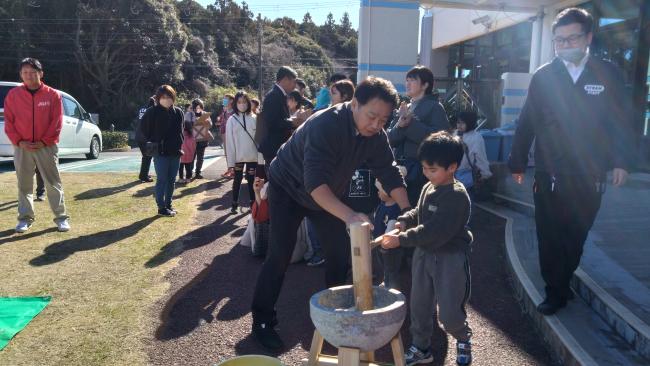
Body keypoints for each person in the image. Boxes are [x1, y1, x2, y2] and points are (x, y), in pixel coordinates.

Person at [250, 77, 411, 350]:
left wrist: (408, 211)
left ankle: (335, 316)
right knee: (280, 254)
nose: (376, 124)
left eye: (383, 120)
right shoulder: (326, 125)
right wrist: (349, 216)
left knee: (338, 254)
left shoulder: (375, 136)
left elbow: (390, 172)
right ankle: (262, 321)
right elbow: (315, 185)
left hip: (327, 194)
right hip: (288, 188)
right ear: (355, 103)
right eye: (372, 116)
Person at [508, 8, 634, 316]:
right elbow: (527, 121)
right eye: (559, 40)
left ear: (588, 37)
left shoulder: (608, 74)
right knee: (550, 234)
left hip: (590, 174)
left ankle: (562, 280)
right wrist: (517, 161)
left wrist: (621, 161)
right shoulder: (544, 76)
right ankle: (555, 290)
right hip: (551, 172)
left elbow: (621, 121)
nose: (565, 45)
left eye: (572, 38)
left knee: (576, 233)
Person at [379, 131, 473, 366]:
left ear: (452, 167)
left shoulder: (456, 196)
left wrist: (401, 239)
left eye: (432, 169)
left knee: (450, 312)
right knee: (419, 306)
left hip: (449, 257)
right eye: (424, 168)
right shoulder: (429, 187)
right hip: (423, 255)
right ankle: (421, 348)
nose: (426, 174)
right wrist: (404, 220)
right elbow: (418, 213)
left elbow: (434, 232)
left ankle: (461, 336)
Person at [4, 57, 70, 233]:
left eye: (33, 72)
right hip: (21, 147)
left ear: (41, 73)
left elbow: (56, 122)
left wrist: (43, 142)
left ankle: (61, 218)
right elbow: (9, 123)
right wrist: (19, 142)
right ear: (20, 74)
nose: (29, 76)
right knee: (24, 184)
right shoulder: (13, 95)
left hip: (46, 147)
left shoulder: (53, 95)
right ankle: (25, 219)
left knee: (53, 183)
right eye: (25, 72)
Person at [388, 66, 450, 207]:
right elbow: (390, 139)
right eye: (407, 80)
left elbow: (440, 140)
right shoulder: (406, 107)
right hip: (400, 169)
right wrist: (401, 125)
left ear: (425, 84)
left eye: (412, 80)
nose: (407, 84)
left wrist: (411, 124)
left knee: (417, 210)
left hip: (421, 171)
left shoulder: (435, 107)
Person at [140, 85, 184, 217]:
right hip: (160, 153)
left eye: (169, 97)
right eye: (163, 97)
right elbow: (144, 129)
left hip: (175, 152)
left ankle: (168, 204)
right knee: (162, 179)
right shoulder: (152, 112)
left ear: (173, 97)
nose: (166, 99)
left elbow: (181, 131)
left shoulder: (178, 112)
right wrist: (155, 141)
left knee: (172, 180)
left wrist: (179, 145)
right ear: (158, 98)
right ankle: (161, 207)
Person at [258, 66, 310, 168]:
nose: (295, 86)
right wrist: (292, 122)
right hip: (273, 148)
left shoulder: (279, 94)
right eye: (293, 82)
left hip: (277, 147)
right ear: (285, 79)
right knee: (275, 181)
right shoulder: (273, 96)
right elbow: (272, 123)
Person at [372, 167, 406, 291]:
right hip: (380, 243)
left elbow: (391, 228)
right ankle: (386, 281)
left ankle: (392, 288)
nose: (378, 193)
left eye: (380, 191)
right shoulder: (382, 204)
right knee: (384, 265)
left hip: (390, 246)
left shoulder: (395, 209)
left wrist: (385, 242)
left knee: (391, 267)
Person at [226, 91, 259, 214]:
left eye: (244, 102)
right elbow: (229, 142)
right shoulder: (232, 120)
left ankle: (252, 204)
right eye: (239, 102)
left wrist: (260, 159)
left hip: (253, 157)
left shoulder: (255, 118)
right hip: (238, 157)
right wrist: (230, 163)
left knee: (251, 181)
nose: (242, 104)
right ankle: (234, 203)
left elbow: (259, 140)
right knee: (237, 180)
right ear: (235, 103)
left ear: (248, 102)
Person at [455, 111, 492, 190]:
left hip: (465, 172)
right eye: (458, 122)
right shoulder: (455, 134)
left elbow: (480, 157)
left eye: (463, 123)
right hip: (454, 173)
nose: (459, 125)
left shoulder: (476, 138)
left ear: (470, 123)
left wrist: (485, 173)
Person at [184, 98, 213, 179]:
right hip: (192, 139)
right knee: (191, 157)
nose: (198, 109)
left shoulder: (205, 114)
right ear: (193, 107)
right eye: (196, 107)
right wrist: (194, 123)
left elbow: (210, 125)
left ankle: (198, 173)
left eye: (200, 107)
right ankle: (189, 173)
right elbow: (186, 126)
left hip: (203, 139)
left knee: (200, 157)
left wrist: (207, 122)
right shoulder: (189, 114)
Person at [136, 97, 156, 182]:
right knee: (148, 157)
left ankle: (143, 174)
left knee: (146, 157)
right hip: (147, 137)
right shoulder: (153, 110)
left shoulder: (142, 109)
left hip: (139, 135)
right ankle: (144, 176)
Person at [218, 94, 235, 178]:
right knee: (227, 153)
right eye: (223, 99)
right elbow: (222, 123)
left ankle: (234, 171)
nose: (224, 100)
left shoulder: (235, 112)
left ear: (231, 100)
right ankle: (229, 169)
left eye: (226, 99)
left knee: (234, 153)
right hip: (225, 135)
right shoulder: (224, 112)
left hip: (234, 136)